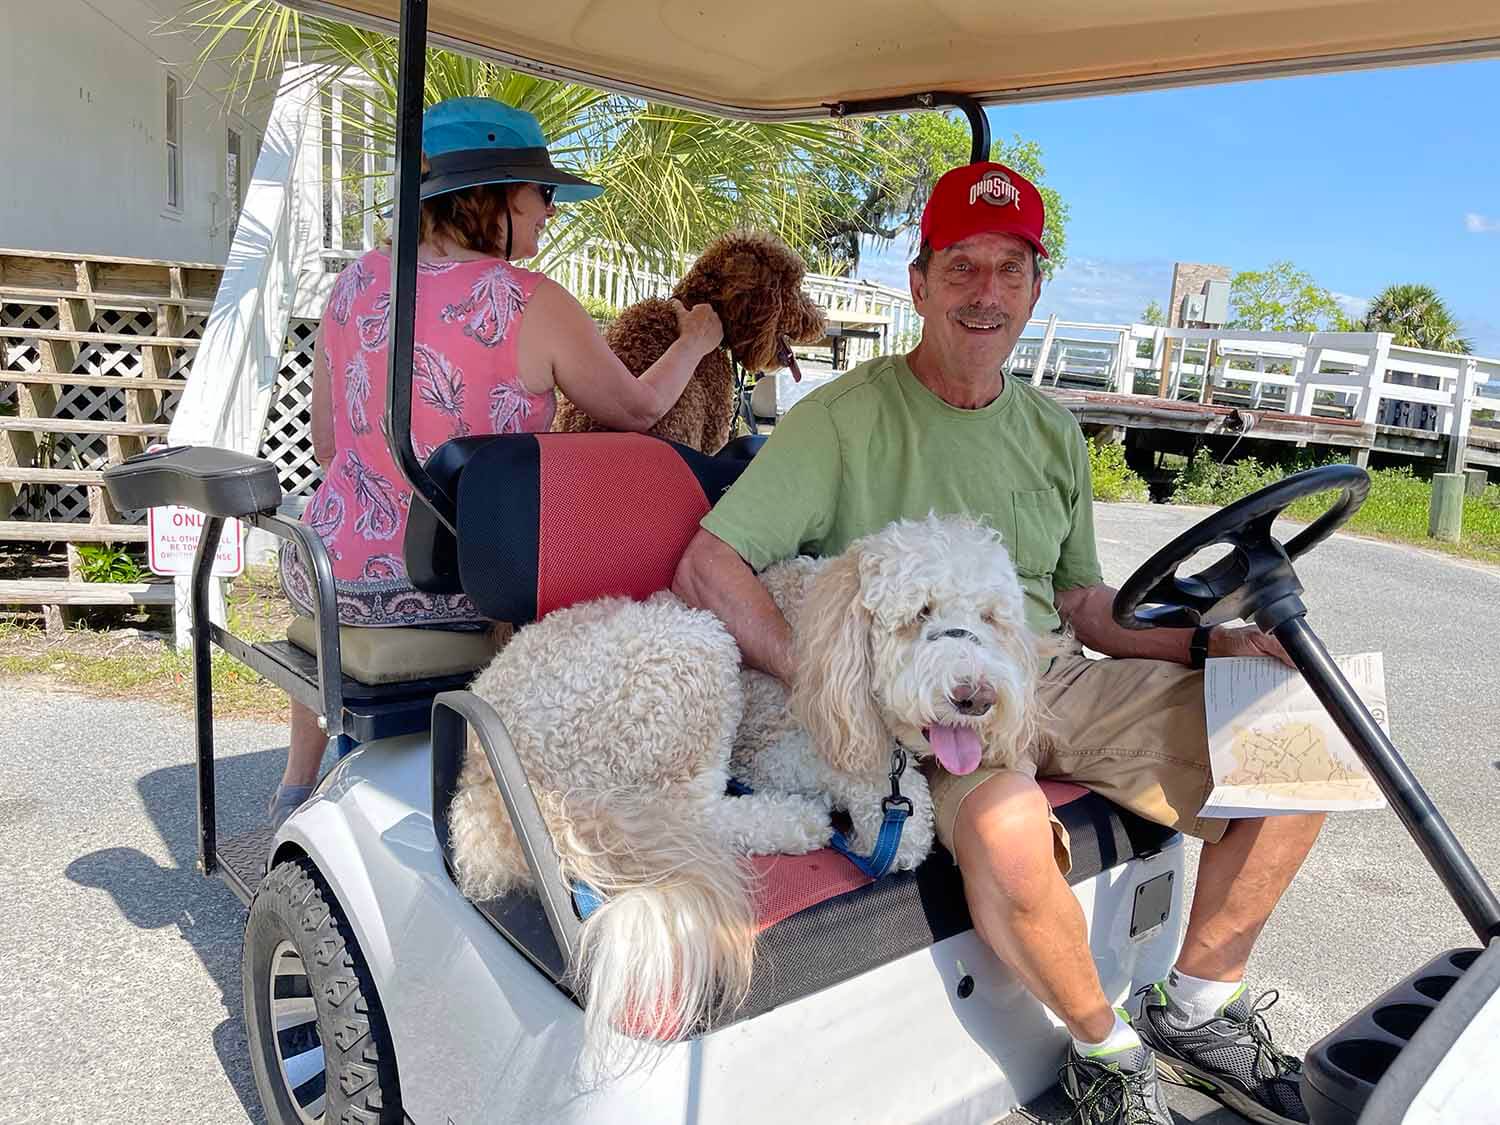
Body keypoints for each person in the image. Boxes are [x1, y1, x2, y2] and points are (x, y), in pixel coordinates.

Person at [671, 161, 1317, 1124]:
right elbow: (707, 565)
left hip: (1048, 673)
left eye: (1010, 270)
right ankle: (1107, 1054)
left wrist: (1207, 646)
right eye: (962, 267)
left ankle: (1195, 1005)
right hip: (922, 707)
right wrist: (827, 678)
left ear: (1035, 289)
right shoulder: (840, 420)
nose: (986, 293)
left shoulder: (1052, 431)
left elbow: (1085, 602)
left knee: (1305, 731)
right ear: (919, 283)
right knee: (1010, 824)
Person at [270, 97, 723, 828]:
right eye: (541, 192)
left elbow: (327, 446)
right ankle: (555, 795)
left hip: (322, 572)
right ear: (495, 193)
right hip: (445, 587)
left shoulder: (354, 282)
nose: (551, 209)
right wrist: (696, 342)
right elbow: (638, 411)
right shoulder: (531, 302)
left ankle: (295, 784)